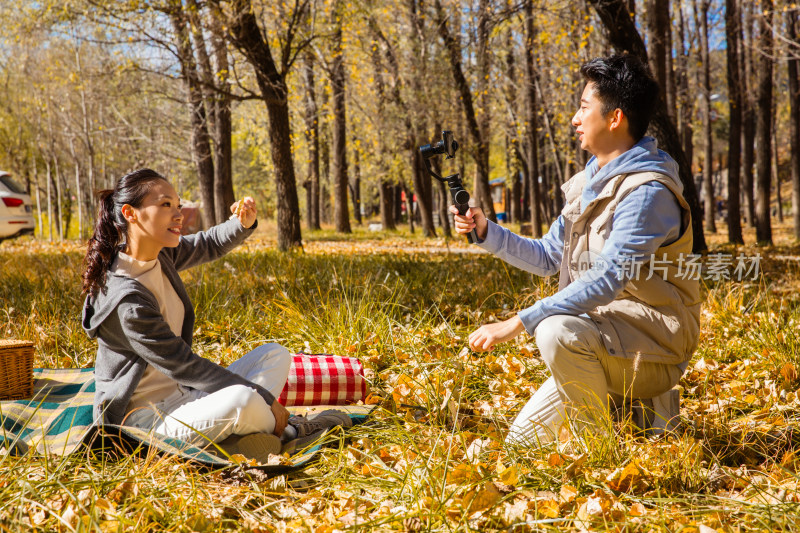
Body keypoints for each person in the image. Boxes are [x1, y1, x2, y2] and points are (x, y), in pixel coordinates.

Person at [451, 55, 701, 445]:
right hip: (603, 335)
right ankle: (629, 407)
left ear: (614, 118)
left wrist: (518, 322)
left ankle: (598, 452)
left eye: (584, 107)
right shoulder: (589, 182)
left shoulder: (647, 193)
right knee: (522, 444)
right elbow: (551, 256)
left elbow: (607, 278)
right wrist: (487, 232)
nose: (575, 118)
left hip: (655, 347)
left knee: (553, 330)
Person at [81, 169, 351, 462]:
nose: (178, 214)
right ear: (130, 213)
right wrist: (265, 397)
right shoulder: (127, 301)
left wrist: (240, 223)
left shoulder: (159, 255)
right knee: (245, 399)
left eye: (178, 204)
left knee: (275, 355)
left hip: (185, 395)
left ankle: (235, 441)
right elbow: (187, 366)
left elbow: (206, 243)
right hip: (144, 425)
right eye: (165, 205)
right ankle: (293, 432)